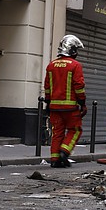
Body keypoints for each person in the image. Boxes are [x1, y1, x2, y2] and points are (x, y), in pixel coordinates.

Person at [44, 34, 86, 168]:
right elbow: (79, 86)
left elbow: (47, 87)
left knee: (57, 132)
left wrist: (47, 103)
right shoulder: (75, 65)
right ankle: (64, 151)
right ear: (72, 50)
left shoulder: (51, 65)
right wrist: (82, 103)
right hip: (71, 107)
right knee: (75, 130)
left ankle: (55, 159)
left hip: (54, 107)